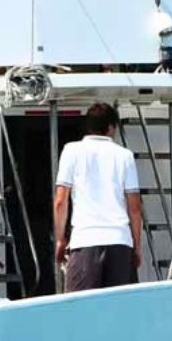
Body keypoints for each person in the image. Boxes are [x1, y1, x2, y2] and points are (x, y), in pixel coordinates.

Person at [53, 103, 145, 291]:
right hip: (120, 242)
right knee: (121, 313)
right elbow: (135, 208)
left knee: (80, 312)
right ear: (111, 127)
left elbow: (60, 201)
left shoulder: (71, 151)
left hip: (85, 241)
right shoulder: (125, 156)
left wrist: (60, 239)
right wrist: (136, 247)